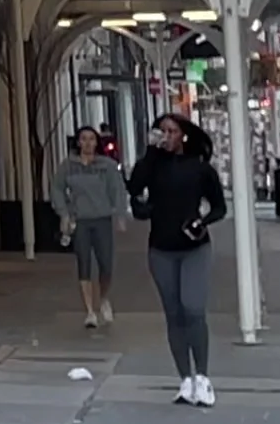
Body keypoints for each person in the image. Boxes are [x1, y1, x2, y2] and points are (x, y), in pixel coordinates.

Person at [127, 116, 230, 406]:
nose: (167, 137)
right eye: (162, 132)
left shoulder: (199, 168)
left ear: (183, 136)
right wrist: (150, 152)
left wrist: (202, 221)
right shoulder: (153, 165)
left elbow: (219, 206)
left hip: (194, 248)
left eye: (172, 132)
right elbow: (134, 187)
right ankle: (185, 378)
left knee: (193, 309)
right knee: (174, 314)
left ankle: (204, 378)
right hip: (161, 248)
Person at [50, 128, 129, 330]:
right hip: (81, 220)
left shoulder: (106, 166)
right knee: (83, 262)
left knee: (105, 264)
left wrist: (119, 214)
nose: (87, 143)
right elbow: (57, 188)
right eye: (83, 139)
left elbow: (117, 190)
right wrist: (65, 212)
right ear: (78, 142)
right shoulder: (68, 166)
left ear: (96, 142)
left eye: (91, 139)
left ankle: (103, 298)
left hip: (102, 218)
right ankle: (89, 311)